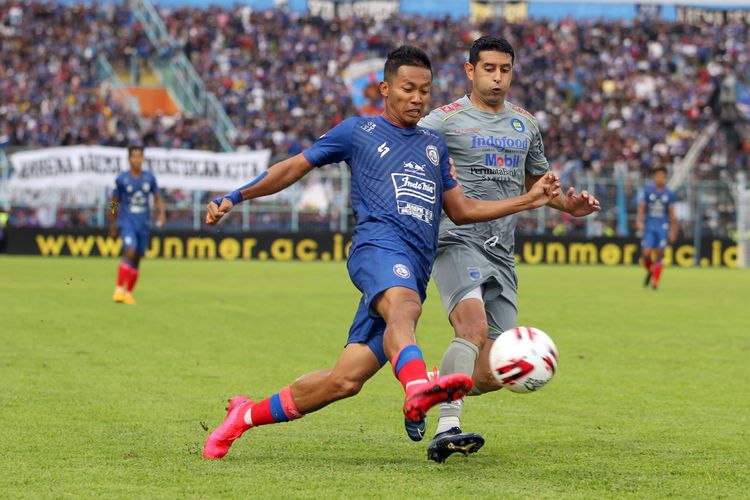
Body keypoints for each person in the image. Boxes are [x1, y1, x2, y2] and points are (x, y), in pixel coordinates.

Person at [202, 45, 562, 460]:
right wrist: (236, 196)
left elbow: (462, 211)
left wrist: (527, 201)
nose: (417, 98)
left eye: (424, 91)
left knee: (344, 380)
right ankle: (418, 389)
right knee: (406, 309)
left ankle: (244, 417)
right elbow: (294, 166)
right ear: (385, 88)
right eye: (408, 89)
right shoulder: (359, 131)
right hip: (376, 248)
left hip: (416, 264)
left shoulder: (433, 145)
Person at [418, 36, 601, 463]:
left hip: (502, 253)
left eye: (504, 69)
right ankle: (448, 427)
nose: (497, 77)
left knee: (496, 370)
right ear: (470, 71)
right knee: (472, 329)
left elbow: (541, 188)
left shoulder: (526, 125)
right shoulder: (443, 122)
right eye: (488, 68)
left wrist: (569, 207)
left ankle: (437, 382)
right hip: (455, 239)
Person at [109, 145, 165, 305]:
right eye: (133, 156)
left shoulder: (149, 178)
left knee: (138, 258)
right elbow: (113, 203)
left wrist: (161, 214)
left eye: (139, 156)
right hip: (126, 222)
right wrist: (112, 223)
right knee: (130, 250)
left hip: (143, 223)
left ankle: (128, 293)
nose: (136, 159)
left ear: (142, 158)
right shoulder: (121, 179)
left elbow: (157, 197)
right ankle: (119, 289)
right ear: (129, 159)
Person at [636, 166, 677, 290]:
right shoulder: (648, 191)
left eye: (662, 176)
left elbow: (672, 213)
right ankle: (651, 271)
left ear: (665, 177)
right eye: (658, 175)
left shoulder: (669, 194)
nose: (660, 178)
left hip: (662, 226)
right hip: (649, 225)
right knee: (646, 254)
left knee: (660, 253)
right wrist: (639, 221)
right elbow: (642, 207)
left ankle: (655, 282)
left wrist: (673, 230)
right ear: (654, 177)